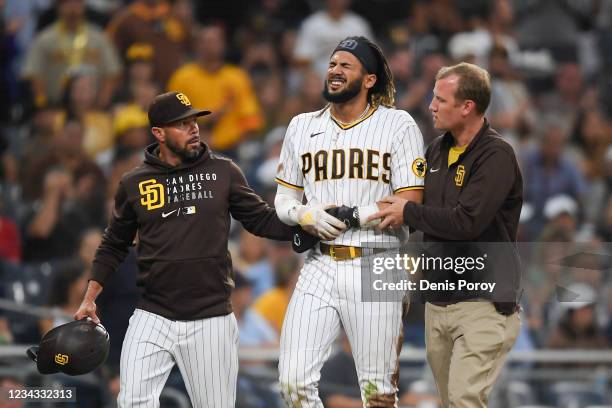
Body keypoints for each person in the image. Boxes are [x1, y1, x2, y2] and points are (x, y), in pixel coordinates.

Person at [74, 91, 299, 407]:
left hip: (210, 316)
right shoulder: (134, 183)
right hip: (153, 313)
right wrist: (89, 297)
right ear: (159, 133)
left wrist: (308, 225)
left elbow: (261, 221)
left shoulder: (224, 171)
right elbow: (114, 244)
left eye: (194, 121)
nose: (193, 128)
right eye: (181, 124)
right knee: (131, 402)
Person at [274, 36, 425, 407]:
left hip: (377, 260)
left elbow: (410, 201)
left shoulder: (398, 124)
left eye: (346, 65)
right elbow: (283, 198)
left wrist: (353, 215)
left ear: (369, 79)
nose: (335, 70)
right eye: (332, 63)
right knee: (293, 381)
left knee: (377, 394)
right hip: (320, 263)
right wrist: (303, 213)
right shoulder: (301, 126)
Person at [370, 62, 523, 407]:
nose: (431, 106)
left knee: (464, 399)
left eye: (440, 99)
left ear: (467, 107)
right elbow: (414, 208)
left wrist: (406, 211)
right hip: (438, 301)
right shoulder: (435, 150)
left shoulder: (496, 155)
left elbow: (465, 222)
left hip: (484, 303)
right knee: (450, 402)